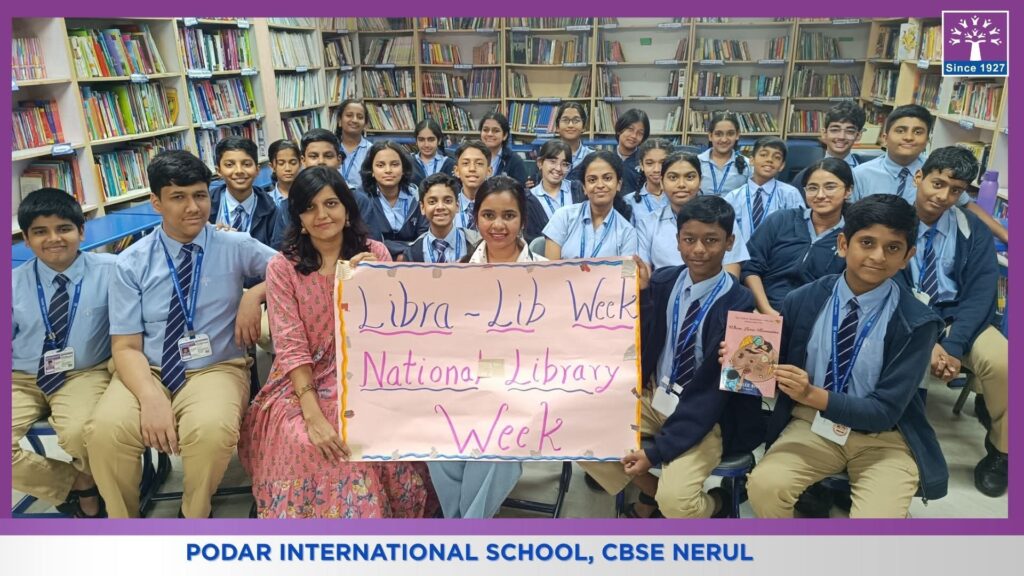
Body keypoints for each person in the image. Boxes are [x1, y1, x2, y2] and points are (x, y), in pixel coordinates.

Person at [85, 150, 276, 519]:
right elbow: (124, 346)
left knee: (212, 432)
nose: (193, 207)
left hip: (216, 366)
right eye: (178, 197)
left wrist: (255, 293)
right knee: (104, 433)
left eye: (200, 195)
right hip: (149, 367)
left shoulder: (235, 245)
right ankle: (124, 524)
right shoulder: (131, 263)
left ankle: (193, 515)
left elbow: (295, 269)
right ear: (156, 202)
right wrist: (150, 397)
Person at [239, 166, 433, 518]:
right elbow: (291, 346)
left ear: (346, 209)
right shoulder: (283, 267)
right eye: (309, 208)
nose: (322, 215)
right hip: (301, 380)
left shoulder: (374, 252)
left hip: (365, 374)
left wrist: (376, 282)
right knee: (304, 440)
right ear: (298, 217)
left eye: (331, 203)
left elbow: (390, 333)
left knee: (362, 434)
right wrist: (313, 417)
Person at [747, 195, 948, 518]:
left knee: (875, 525)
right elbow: (774, 366)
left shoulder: (917, 322)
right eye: (866, 242)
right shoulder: (803, 300)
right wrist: (745, 358)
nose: (877, 256)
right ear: (843, 244)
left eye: (893, 248)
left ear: (908, 256)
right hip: (812, 424)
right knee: (765, 486)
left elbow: (884, 412)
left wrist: (811, 393)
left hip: (885, 438)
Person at [580, 196, 764, 518]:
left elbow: (715, 396)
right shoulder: (662, 281)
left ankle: (717, 505)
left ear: (730, 242)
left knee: (678, 504)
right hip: (654, 397)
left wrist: (657, 452)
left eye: (711, 240)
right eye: (689, 239)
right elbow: (640, 343)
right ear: (677, 240)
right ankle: (651, 492)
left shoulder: (742, 306)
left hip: (706, 416)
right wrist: (642, 296)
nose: (699, 250)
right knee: (579, 433)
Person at [429, 175, 544, 518]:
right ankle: (463, 526)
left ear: (523, 220)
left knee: (499, 444)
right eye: (488, 215)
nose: (498, 225)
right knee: (435, 438)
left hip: (521, 392)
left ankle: (466, 532)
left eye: (509, 216)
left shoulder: (550, 275)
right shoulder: (456, 273)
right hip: (465, 387)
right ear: (475, 217)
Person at [896, 146, 1008, 497]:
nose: (943, 196)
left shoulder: (970, 227)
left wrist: (954, 344)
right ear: (919, 178)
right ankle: (900, 451)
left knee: (1005, 363)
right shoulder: (890, 217)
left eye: (955, 190)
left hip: (955, 318)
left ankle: (1001, 452)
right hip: (903, 318)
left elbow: (980, 293)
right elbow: (887, 284)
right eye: (937, 183)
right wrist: (927, 341)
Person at [12, 188, 115, 518]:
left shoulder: (113, 270)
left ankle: (103, 483)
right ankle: (79, 483)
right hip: (20, 377)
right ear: (25, 239)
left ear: (81, 231)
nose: (53, 239)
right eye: (40, 232)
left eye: (64, 228)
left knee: (83, 433)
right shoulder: (11, 283)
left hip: (83, 373)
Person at [852, 104, 1008, 244]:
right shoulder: (860, 174)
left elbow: (967, 205)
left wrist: (1006, 236)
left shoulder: (937, 172)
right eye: (901, 130)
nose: (908, 137)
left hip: (926, 245)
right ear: (885, 138)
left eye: (918, 132)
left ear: (927, 140)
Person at [743, 157, 850, 315]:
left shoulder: (852, 236)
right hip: (763, 312)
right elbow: (750, 267)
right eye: (812, 188)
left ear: (848, 191)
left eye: (830, 187)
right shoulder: (781, 220)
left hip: (817, 319)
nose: (820, 195)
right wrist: (767, 311)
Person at [637, 152, 749, 275]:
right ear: (662, 183)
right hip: (663, 291)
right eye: (673, 178)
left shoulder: (722, 217)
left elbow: (731, 272)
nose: (681, 185)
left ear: (700, 181)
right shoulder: (648, 223)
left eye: (689, 177)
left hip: (714, 291)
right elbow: (644, 273)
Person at [543, 149, 638, 260]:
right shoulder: (563, 217)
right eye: (592, 180)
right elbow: (550, 270)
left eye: (607, 178)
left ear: (618, 184)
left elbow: (628, 274)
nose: (600, 185)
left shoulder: (628, 232)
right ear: (584, 187)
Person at [271, 128, 345, 251]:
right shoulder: (288, 205)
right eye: (314, 156)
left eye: (328, 156)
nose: (321, 162)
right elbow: (279, 249)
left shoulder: (358, 200)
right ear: (303, 160)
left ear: (339, 160)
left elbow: (367, 243)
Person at [353, 140, 427, 259]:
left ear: (403, 169)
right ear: (371, 171)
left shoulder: (416, 196)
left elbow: (425, 237)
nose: (388, 170)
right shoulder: (361, 198)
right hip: (374, 259)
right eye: (380, 165)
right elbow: (367, 239)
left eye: (394, 164)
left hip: (413, 260)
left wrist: (406, 255)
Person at [723, 136, 804, 242]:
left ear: (782, 166)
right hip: (740, 256)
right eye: (763, 155)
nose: (769, 160)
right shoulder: (733, 197)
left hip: (777, 254)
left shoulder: (790, 194)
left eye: (777, 157)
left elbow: (799, 230)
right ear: (751, 160)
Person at [209, 136, 277, 250]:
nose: (239, 171)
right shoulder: (206, 206)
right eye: (230, 165)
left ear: (257, 169)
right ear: (218, 171)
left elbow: (277, 256)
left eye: (246, 164)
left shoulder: (272, 209)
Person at [789, 101, 868, 187]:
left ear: (858, 135)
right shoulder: (804, 177)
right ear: (824, 133)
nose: (841, 137)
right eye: (834, 130)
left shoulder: (866, 174)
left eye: (849, 131)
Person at [403, 172, 478, 262]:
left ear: (457, 205)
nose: (440, 207)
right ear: (422, 207)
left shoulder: (476, 243)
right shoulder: (412, 252)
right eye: (432, 202)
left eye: (447, 201)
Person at [524, 139, 584, 241]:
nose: (558, 168)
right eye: (552, 161)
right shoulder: (529, 198)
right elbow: (531, 238)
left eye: (565, 164)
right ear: (540, 163)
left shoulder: (578, 190)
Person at [698, 111, 750, 197]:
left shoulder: (748, 165)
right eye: (718, 134)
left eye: (730, 134)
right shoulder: (697, 162)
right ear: (710, 136)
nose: (724, 140)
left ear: (737, 135)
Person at [626, 138, 673, 226]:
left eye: (663, 163)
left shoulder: (679, 197)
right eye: (649, 163)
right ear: (641, 165)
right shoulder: (629, 201)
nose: (657, 169)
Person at [450, 140, 493, 231]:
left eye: (479, 164)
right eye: (466, 163)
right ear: (456, 171)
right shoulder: (448, 207)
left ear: (489, 171)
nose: (472, 169)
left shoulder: (497, 206)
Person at [479, 111, 528, 185]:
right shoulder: (472, 156)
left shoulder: (514, 161)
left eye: (496, 131)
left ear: (504, 135)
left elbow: (520, 191)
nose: (489, 134)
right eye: (485, 130)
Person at [335, 98, 372, 190]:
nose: (354, 120)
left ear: (365, 124)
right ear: (339, 120)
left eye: (360, 117)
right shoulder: (330, 148)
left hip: (363, 200)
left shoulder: (372, 151)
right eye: (349, 115)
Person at [612, 108, 649, 199]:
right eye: (630, 129)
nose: (634, 136)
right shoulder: (606, 159)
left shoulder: (645, 162)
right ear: (619, 130)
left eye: (640, 133)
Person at [410, 118, 456, 188]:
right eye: (421, 140)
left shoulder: (450, 164)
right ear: (416, 141)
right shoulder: (408, 163)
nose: (426, 145)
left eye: (431, 139)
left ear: (439, 140)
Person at [556, 102, 593, 181]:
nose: (570, 125)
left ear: (584, 127)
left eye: (576, 120)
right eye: (565, 120)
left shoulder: (592, 156)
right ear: (557, 127)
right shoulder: (547, 155)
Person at [267, 139, 301, 207]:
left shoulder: (309, 195)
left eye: (293, 163)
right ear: (272, 167)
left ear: (300, 164)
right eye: (281, 163)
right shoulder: (266, 201)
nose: (288, 168)